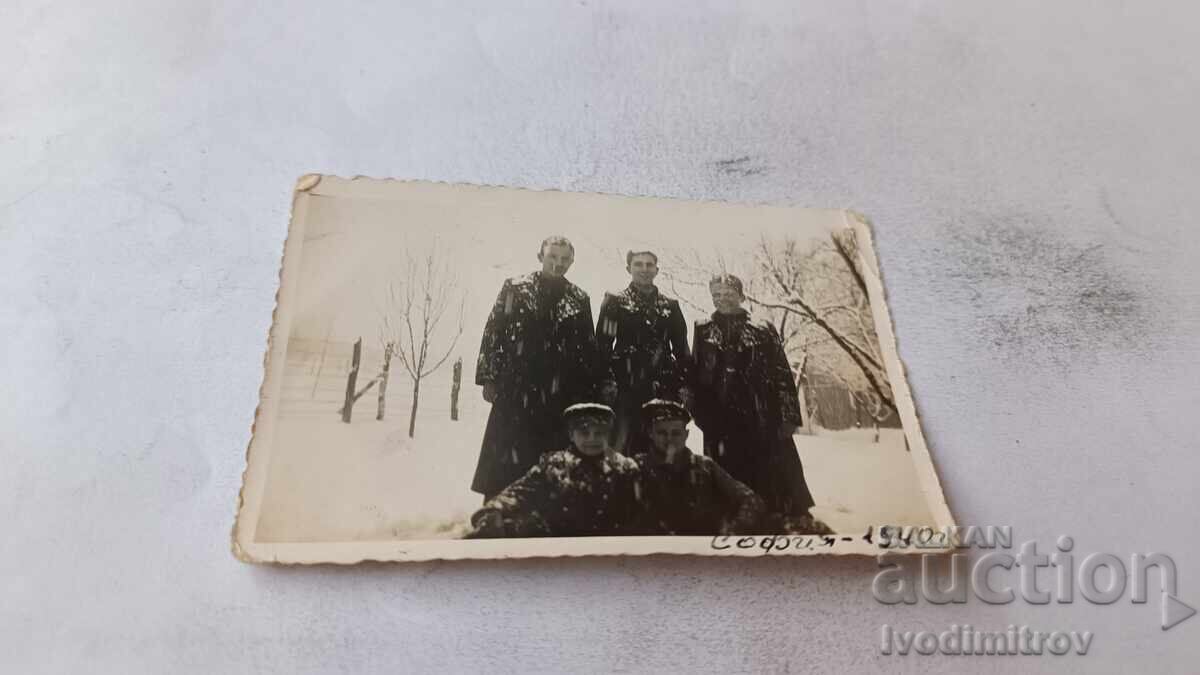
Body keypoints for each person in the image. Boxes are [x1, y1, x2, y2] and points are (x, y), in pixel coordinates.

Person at [689, 273, 829, 533]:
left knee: (771, 470)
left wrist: (789, 416)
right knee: (726, 473)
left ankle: (780, 517)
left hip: (761, 414)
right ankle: (733, 519)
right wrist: (699, 414)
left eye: (728, 294)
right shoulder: (702, 328)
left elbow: (781, 373)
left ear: (741, 296)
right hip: (720, 417)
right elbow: (696, 373)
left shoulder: (763, 328)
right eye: (717, 294)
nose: (722, 299)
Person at [471, 236, 601, 500]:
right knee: (507, 456)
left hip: (559, 393)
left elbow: (588, 349)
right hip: (516, 388)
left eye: (564, 259)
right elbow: (493, 332)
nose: (557, 263)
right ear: (541, 257)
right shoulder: (515, 288)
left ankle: (546, 511)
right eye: (552, 257)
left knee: (551, 459)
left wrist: (588, 393)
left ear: (572, 262)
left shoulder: (579, 298)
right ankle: (499, 507)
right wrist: (489, 377)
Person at [465, 404, 642, 538]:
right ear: (571, 435)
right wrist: (495, 509)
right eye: (584, 433)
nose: (592, 439)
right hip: (561, 544)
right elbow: (520, 492)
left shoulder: (623, 468)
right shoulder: (555, 465)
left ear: (608, 435)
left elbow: (639, 511)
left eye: (599, 433)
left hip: (610, 547)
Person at [595, 250, 690, 452]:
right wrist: (606, 381)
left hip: (663, 386)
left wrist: (684, 384)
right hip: (625, 386)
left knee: (663, 446)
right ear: (629, 268)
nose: (644, 269)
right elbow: (603, 345)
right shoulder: (615, 301)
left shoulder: (670, 306)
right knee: (622, 446)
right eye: (638, 264)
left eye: (649, 265)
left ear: (657, 270)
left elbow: (681, 349)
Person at [631, 399, 764, 535]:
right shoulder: (636, 467)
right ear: (650, 433)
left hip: (698, 545)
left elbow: (751, 500)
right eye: (662, 433)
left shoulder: (704, 466)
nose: (669, 439)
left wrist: (732, 531)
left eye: (676, 433)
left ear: (686, 434)